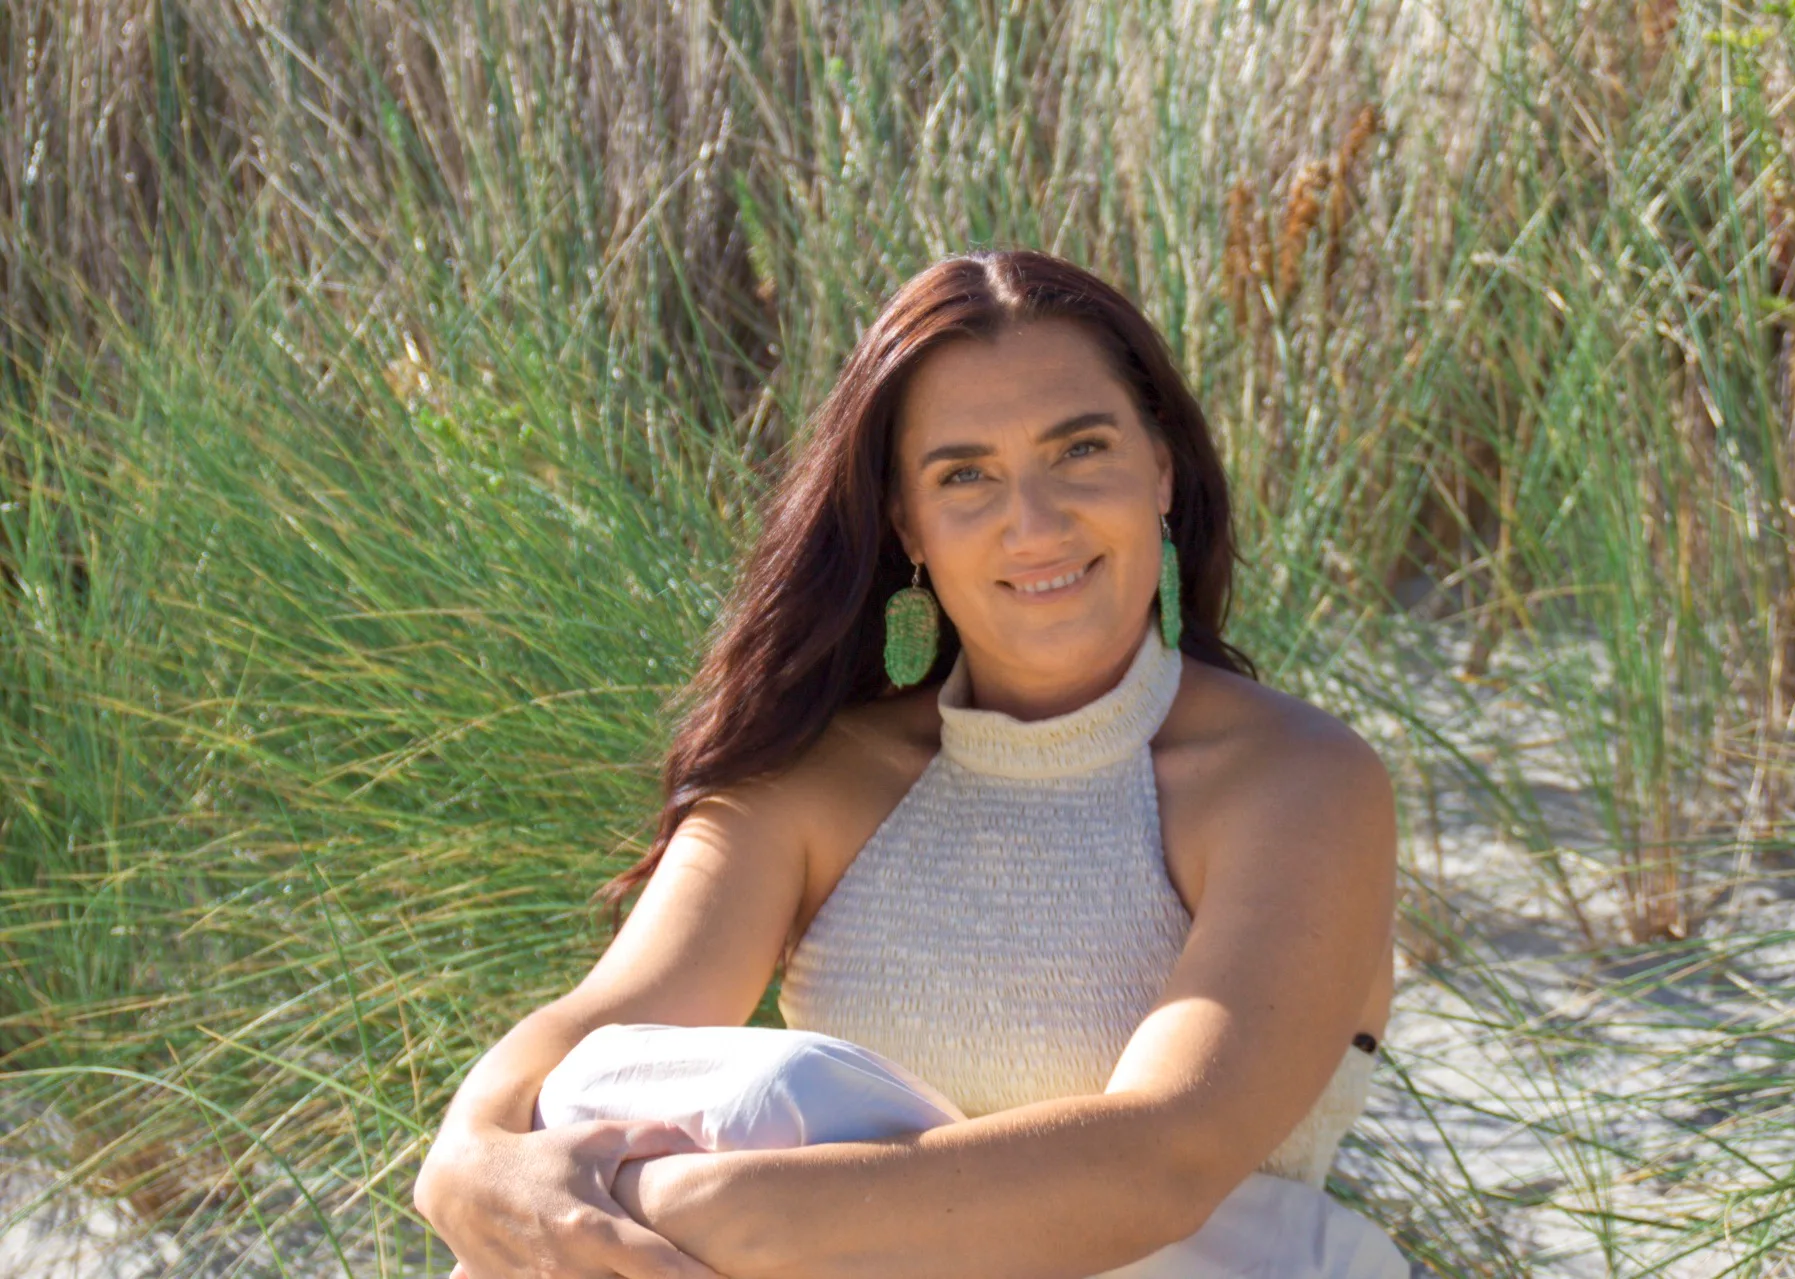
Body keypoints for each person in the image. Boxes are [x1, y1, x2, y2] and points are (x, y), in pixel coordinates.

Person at [412, 248, 1406, 1279]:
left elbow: (1164, 1159)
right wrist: (470, 1155)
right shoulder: (823, 777)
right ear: (908, 526)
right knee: (577, 1111)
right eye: (964, 474)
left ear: (1160, 468)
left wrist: (696, 1207)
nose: (1035, 522)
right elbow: (599, 1028)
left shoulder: (1294, 782)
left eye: (1080, 450)